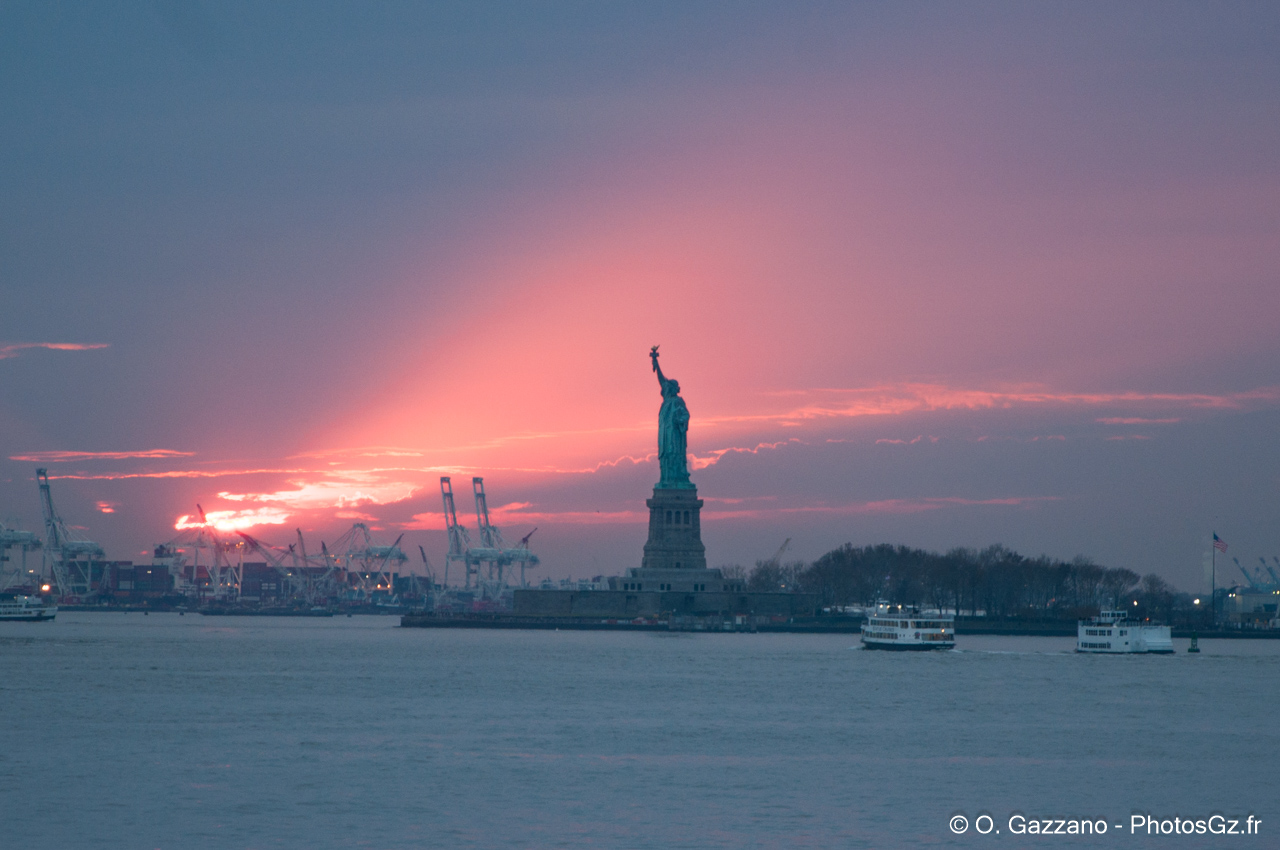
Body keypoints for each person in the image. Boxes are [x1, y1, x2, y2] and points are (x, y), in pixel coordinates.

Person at [650, 347, 692, 488]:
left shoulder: (677, 401)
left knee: (674, 455)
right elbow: (662, 380)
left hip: (674, 436)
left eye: (669, 387)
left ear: (674, 389)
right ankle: (666, 479)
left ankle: (677, 478)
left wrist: (680, 421)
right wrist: (656, 362)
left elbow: (686, 415)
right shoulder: (667, 401)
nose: (666, 388)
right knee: (665, 457)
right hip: (665, 436)